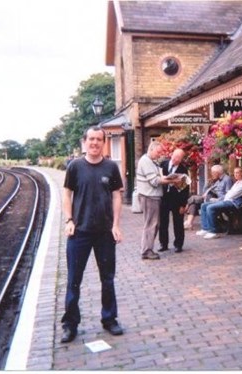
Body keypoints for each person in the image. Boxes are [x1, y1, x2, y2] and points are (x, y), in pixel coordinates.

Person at [61, 126, 124, 343]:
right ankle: (70, 324)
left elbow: (117, 196)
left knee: (107, 279)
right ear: (85, 141)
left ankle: (109, 319)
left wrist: (116, 224)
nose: (95, 143)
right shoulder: (75, 166)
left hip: (105, 233)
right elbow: (67, 194)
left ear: (103, 142)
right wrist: (69, 220)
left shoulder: (111, 167)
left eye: (99, 139)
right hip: (79, 233)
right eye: (91, 139)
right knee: (73, 280)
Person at [136, 141, 173, 260]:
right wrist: (172, 180)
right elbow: (154, 181)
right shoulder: (146, 161)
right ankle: (146, 250)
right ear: (151, 149)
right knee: (151, 224)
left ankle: (147, 249)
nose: (159, 155)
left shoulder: (150, 161)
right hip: (149, 196)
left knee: (153, 224)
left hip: (151, 196)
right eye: (158, 152)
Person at [196, 167, 242, 239]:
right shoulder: (236, 183)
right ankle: (205, 228)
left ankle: (214, 231)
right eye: (235, 173)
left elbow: (231, 194)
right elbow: (229, 193)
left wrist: (221, 199)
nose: (236, 174)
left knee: (210, 207)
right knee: (204, 205)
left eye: (238, 173)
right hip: (227, 200)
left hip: (234, 203)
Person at [183, 164, 233, 229]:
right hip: (209, 197)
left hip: (216, 199)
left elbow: (228, 194)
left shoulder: (227, 179)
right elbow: (205, 191)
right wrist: (208, 184)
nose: (211, 174)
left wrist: (217, 199)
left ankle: (185, 205)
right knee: (193, 204)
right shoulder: (217, 180)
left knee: (193, 199)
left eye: (212, 172)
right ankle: (189, 223)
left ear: (217, 173)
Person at [158, 148, 189, 253]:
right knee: (163, 222)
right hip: (164, 198)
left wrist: (183, 205)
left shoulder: (183, 169)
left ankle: (178, 244)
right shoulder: (163, 164)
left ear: (181, 160)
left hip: (177, 199)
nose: (176, 160)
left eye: (179, 158)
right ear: (172, 155)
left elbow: (185, 188)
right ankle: (163, 244)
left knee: (178, 222)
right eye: (175, 157)